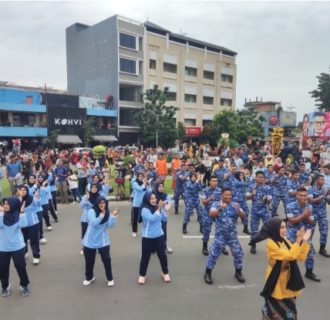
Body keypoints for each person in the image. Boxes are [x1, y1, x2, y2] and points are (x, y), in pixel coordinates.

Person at [250, 217, 311, 320]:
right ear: (274, 229)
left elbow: (299, 257)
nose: (284, 230)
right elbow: (290, 256)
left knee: (289, 311)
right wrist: (298, 241)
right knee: (273, 311)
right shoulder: (271, 244)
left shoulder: (285, 241)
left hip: (288, 280)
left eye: (285, 227)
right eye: (281, 228)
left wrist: (304, 242)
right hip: (276, 281)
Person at [204, 188, 246, 285]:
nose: (228, 197)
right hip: (220, 236)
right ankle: (207, 273)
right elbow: (211, 214)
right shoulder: (216, 204)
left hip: (232, 236)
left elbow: (244, 216)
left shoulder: (235, 204)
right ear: (222, 195)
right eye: (226, 195)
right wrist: (220, 208)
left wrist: (238, 211)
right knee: (214, 255)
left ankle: (238, 273)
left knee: (238, 254)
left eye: (229, 195)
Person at [82, 197, 119, 287]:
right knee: (89, 261)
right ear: (97, 203)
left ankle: (110, 278)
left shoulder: (107, 213)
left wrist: (113, 216)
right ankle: (89, 277)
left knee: (106, 260)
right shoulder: (91, 211)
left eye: (104, 202)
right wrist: (101, 215)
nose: (102, 204)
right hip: (89, 240)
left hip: (103, 240)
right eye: (100, 202)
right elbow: (93, 222)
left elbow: (110, 225)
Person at [286, 187, 321, 282]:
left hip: (305, 234)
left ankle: (309, 272)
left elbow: (312, 222)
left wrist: (308, 217)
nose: (303, 197)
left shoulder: (309, 207)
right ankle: (289, 274)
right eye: (300, 195)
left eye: (305, 195)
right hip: (293, 234)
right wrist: (303, 215)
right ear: (297, 196)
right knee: (291, 255)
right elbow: (292, 221)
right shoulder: (290, 206)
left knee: (309, 253)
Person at [0, 197, 30, 296]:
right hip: (3, 248)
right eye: (4, 203)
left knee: (20, 267)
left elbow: (24, 224)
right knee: (3, 268)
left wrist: (22, 213)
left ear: (13, 205)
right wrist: (1, 213)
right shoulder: (1, 215)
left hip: (17, 247)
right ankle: (5, 286)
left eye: (8, 204)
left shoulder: (18, 216)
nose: (5, 205)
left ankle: (24, 285)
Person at [138, 191, 170, 285]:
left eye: (155, 198)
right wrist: (159, 208)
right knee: (145, 257)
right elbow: (152, 219)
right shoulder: (144, 209)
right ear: (147, 199)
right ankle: (142, 275)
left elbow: (164, 219)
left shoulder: (158, 207)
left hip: (159, 235)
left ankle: (165, 272)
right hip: (147, 236)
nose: (154, 200)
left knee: (162, 255)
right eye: (151, 199)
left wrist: (166, 210)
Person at [247, 171, 272, 254]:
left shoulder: (267, 188)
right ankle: (253, 244)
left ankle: (272, 245)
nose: (261, 178)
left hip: (265, 211)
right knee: (254, 229)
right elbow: (246, 197)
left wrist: (267, 199)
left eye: (262, 177)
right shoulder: (251, 186)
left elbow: (270, 199)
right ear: (256, 178)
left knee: (269, 229)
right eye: (259, 177)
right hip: (255, 211)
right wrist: (252, 194)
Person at [307, 174, 330, 257]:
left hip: (322, 214)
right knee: (310, 231)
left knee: (324, 231)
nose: (323, 181)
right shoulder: (311, 189)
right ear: (316, 180)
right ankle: (307, 248)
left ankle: (322, 249)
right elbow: (310, 201)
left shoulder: (325, 189)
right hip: (313, 213)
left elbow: (328, 202)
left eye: (324, 180)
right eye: (321, 180)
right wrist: (323, 196)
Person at [201, 175, 222, 256]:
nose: (215, 182)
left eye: (216, 181)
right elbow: (203, 202)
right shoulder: (205, 190)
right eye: (213, 181)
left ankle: (221, 246)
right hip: (207, 213)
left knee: (220, 231)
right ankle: (204, 246)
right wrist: (210, 199)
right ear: (209, 182)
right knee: (206, 230)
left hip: (217, 213)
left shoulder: (220, 190)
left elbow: (223, 201)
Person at [153, 181, 173, 254]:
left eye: (162, 186)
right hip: (155, 217)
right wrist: (160, 204)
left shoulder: (165, 195)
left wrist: (167, 206)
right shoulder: (153, 195)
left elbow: (169, 203)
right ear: (156, 187)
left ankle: (164, 246)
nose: (161, 188)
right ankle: (154, 247)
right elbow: (152, 203)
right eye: (159, 186)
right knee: (155, 232)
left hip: (163, 217)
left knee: (163, 232)